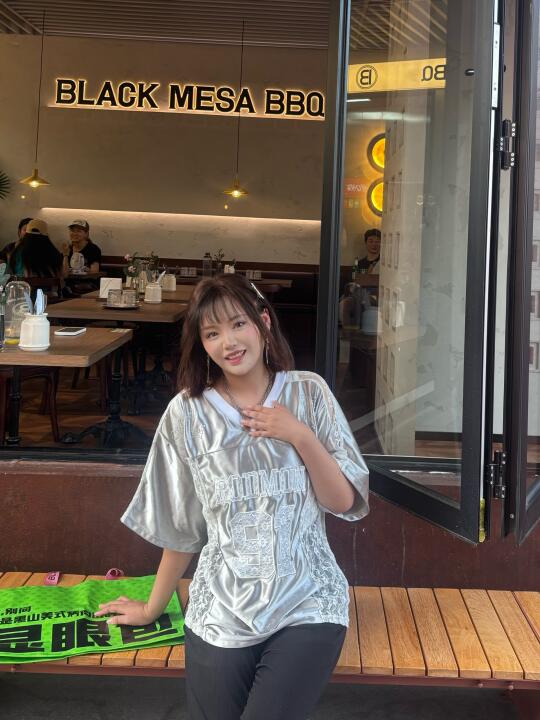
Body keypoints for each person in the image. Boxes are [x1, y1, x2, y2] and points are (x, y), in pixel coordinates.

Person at [95, 273, 369, 720]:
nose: (229, 342)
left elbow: (340, 502)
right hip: (221, 606)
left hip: (307, 600)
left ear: (263, 322)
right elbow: (182, 526)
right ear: (201, 344)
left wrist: (299, 435)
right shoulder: (187, 414)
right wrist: (151, 607)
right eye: (212, 333)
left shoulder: (308, 393)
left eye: (239, 324)